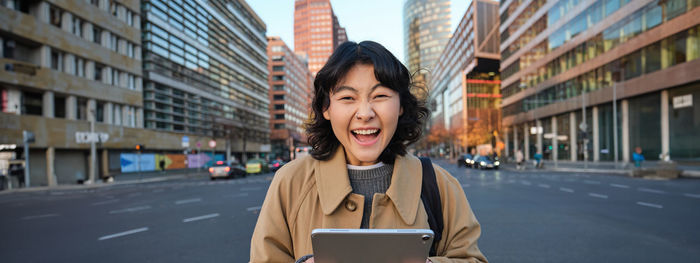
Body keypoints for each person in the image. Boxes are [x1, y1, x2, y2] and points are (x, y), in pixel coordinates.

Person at [250, 41, 487, 263]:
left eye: (380, 96)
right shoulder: (291, 182)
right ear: (326, 109)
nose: (365, 113)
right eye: (347, 97)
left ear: (401, 105)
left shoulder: (439, 184)